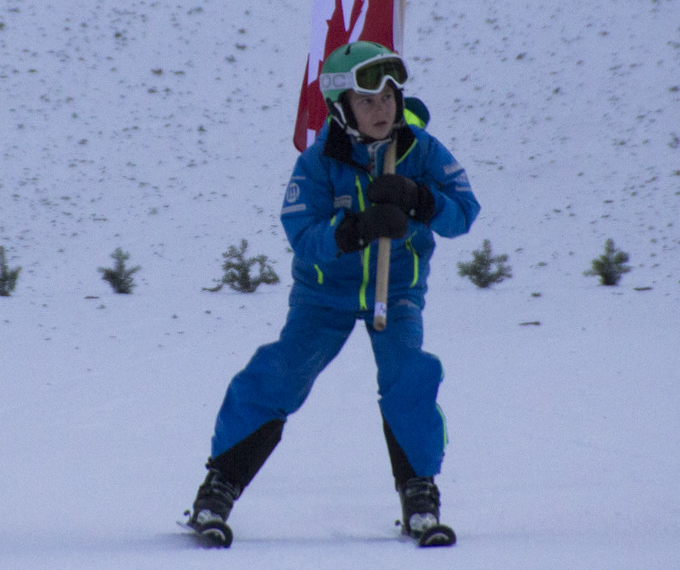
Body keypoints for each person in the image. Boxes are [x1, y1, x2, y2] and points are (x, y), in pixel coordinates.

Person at [187, 40, 480, 542]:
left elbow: (464, 212)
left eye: (388, 96)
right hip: (324, 298)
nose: (381, 108)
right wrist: (355, 230)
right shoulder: (319, 161)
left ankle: (418, 491)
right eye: (366, 101)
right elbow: (303, 237)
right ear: (342, 108)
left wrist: (419, 198)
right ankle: (219, 487)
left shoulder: (420, 149)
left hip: (399, 289)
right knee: (279, 373)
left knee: (409, 373)